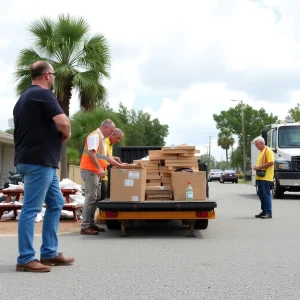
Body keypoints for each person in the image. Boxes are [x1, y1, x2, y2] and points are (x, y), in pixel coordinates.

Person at [13, 61, 74, 273]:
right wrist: (66, 134)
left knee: (56, 202)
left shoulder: (24, 98)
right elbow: (64, 122)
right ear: (47, 75)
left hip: (39, 160)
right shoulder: (44, 94)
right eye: (54, 75)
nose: (55, 78)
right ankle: (26, 258)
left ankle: (49, 253)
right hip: (38, 161)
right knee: (31, 209)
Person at [79, 120, 128, 235]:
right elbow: (91, 153)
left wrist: (120, 165)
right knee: (90, 198)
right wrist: (99, 168)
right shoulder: (95, 136)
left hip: (95, 172)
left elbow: (107, 158)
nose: (111, 134)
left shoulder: (102, 140)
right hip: (90, 170)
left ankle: (90, 224)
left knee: (95, 198)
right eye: (111, 131)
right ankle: (85, 226)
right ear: (105, 127)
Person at [252, 136, 275, 219]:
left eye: (257, 144)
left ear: (262, 143)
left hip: (266, 177)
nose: (256, 146)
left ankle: (269, 212)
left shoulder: (268, 151)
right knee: (261, 194)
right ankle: (264, 211)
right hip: (260, 177)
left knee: (266, 195)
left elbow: (271, 162)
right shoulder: (261, 152)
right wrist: (257, 167)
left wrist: (259, 167)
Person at [101, 128, 125, 200]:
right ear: (112, 134)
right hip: (100, 173)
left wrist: (114, 158)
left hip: (104, 174)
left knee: (103, 196)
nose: (118, 141)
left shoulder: (110, 144)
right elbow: (104, 157)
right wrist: (120, 165)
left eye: (120, 139)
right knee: (100, 197)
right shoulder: (104, 142)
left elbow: (107, 157)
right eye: (118, 138)